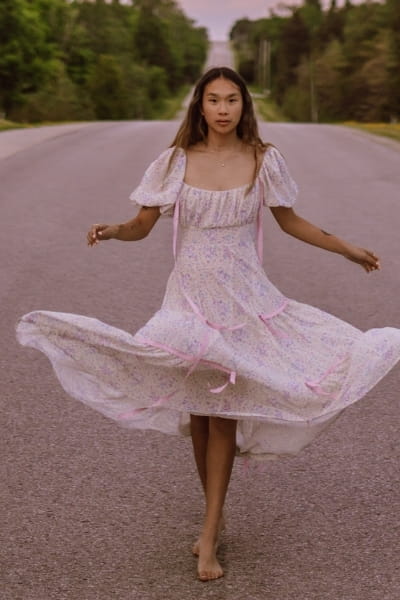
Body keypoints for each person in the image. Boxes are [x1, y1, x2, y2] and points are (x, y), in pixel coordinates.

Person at [16, 67, 400, 582]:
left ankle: (210, 531)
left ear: (244, 106)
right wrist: (111, 230)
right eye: (214, 100)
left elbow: (291, 221)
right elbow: (142, 225)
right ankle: (211, 519)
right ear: (200, 106)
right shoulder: (174, 162)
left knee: (222, 413)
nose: (223, 109)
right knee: (200, 409)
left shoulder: (264, 160)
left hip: (244, 299)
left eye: (232, 100)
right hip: (188, 300)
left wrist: (348, 249)